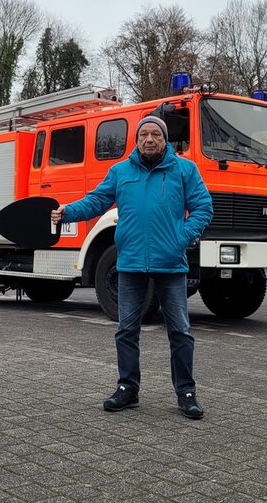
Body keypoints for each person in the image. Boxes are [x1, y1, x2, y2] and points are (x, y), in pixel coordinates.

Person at [51, 114, 213, 419]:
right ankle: (127, 389)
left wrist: (182, 238)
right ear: (136, 140)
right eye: (143, 135)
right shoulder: (120, 171)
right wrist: (67, 212)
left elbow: (203, 207)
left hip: (171, 264)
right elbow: (96, 201)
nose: (149, 139)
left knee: (180, 332)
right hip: (130, 264)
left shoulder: (184, 170)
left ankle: (186, 392)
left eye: (156, 135)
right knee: (126, 330)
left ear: (165, 140)